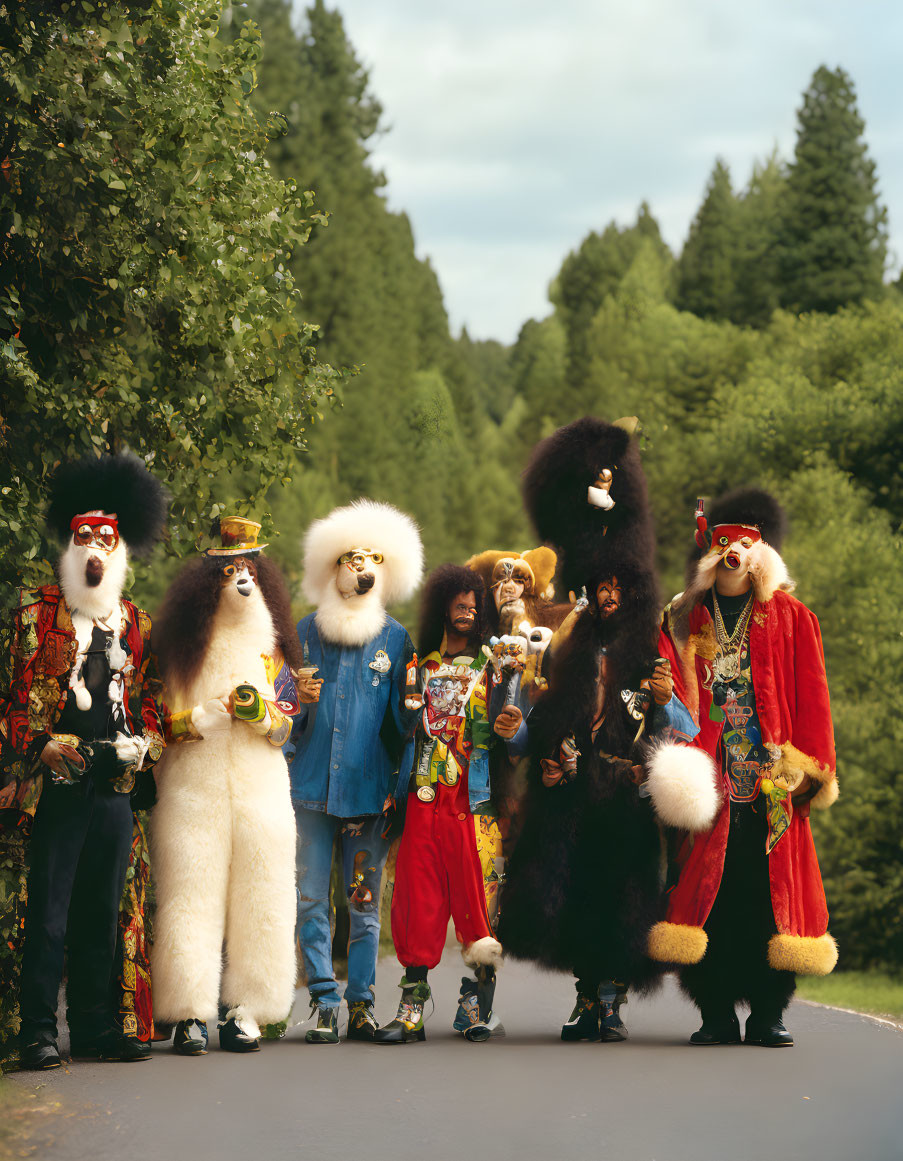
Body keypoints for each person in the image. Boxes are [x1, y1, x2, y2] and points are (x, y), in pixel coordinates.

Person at [499, 417, 717, 1042]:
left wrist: (666, 699)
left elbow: (685, 726)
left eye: (618, 585)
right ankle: (585, 1001)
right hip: (573, 790)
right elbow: (540, 717)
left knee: (623, 896)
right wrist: (525, 739)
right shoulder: (568, 645)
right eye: (600, 587)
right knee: (581, 895)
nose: (609, 594)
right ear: (591, 593)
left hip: (625, 792)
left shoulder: (652, 647)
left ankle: (611, 1000)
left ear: (633, 589)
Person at [648, 489, 838, 1047]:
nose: (736, 557)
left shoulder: (795, 618)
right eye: (726, 545)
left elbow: (815, 697)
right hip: (708, 784)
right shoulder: (685, 619)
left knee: (770, 897)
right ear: (713, 552)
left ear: (761, 555)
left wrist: (809, 770)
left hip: (772, 789)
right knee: (708, 897)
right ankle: (714, 1014)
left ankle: (768, 1013)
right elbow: (670, 697)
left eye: (746, 547)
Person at [0, 453, 167, 1069]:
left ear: (120, 549)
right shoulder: (34, 614)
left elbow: (151, 702)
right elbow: (11, 701)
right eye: (84, 538)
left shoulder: (136, 622)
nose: (95, 548)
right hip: (55, 786)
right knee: (48, 911)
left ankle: (96, 1027)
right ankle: (37, 1032)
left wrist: (147, 743)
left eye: (106, 538)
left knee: (104, 910)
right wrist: (40, 746)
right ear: (69, 546)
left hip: (115, 782)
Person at [149, 517, 302, 1056]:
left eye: (249, 570)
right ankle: (188, 1010)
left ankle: (249, 1009)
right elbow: (156, 722)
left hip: (262, 791)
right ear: (209, 584)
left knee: (262, 897)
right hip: (193, 790)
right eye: (230, 571)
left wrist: (261, 713)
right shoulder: (180, 652)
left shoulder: (274, 650)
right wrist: (198, 719)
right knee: (189, 896)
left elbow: (287, 722)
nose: (241, 580)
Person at [288, 499, 423, 1043]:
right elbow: (279, 719)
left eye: (371, 559)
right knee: (310, 899)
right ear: (332, 567)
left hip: (371, 796)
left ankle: (362, 1003)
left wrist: (402, 789)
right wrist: (295, 703)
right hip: (309, 792)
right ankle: (324, 1000)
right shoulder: (302, 634)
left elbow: (406, 726)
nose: (360, 568)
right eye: (350, 558)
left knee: (364, 906)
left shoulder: (396, 640)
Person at [374, 565, 524, 1044]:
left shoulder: (497, 664)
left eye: (475, 605)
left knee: (482, 903)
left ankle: (476, 1006)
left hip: (475, 802)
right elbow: (396, 731)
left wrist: (514, 727)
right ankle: (411, 1009)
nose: (468, 611)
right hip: (422, 799)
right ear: (442, 606)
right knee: (417, 902)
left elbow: (520, 737)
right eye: (459, 603)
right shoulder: (420, 665)